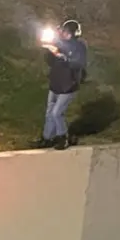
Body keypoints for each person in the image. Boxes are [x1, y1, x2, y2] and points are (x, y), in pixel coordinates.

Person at [38, 20, 89, 150]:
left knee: (56, 113)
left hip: (68, 85)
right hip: (56, 82)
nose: (62, 33)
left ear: (72, 33)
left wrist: (63, 57)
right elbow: (50, 62)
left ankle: (63, 137)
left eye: (65, 31)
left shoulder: (79, 47)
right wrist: (50, 52)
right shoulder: (58, 43)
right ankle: (47, 138)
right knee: (49, 113)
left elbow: (78, 64)